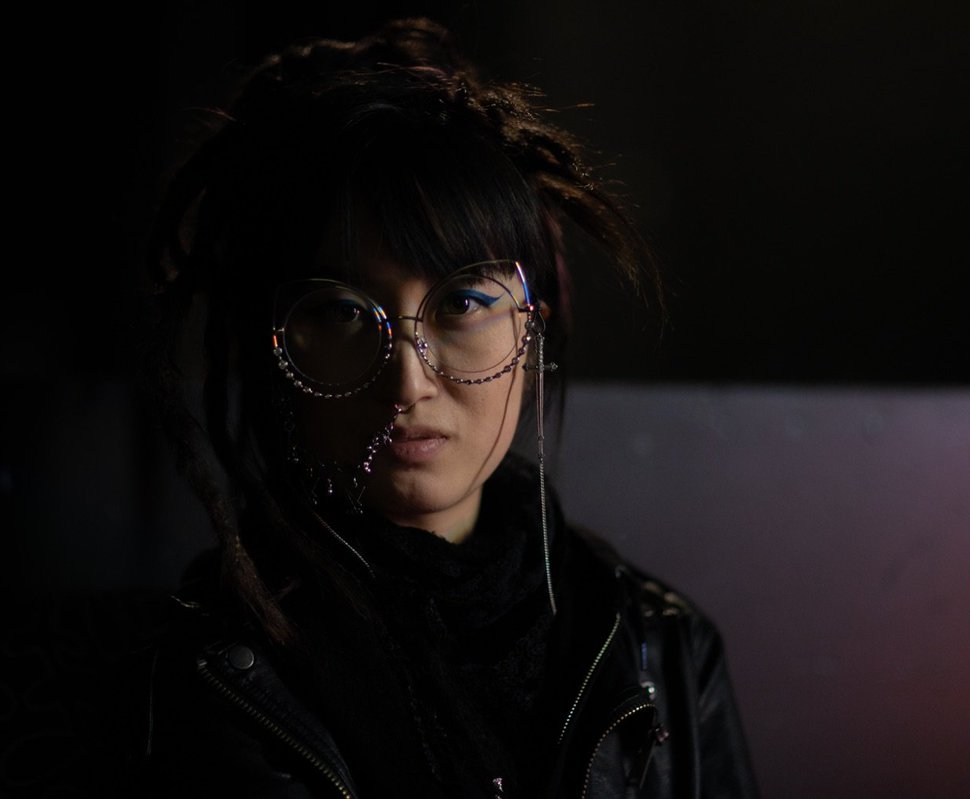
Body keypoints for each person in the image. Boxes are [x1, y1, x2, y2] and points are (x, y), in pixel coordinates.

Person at [138, 17, 757, 799]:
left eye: (462, 303)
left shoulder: (662, 650)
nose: (407, 382)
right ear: (275, 347)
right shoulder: (217, 669)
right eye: (343, 313)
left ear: (531, 330)